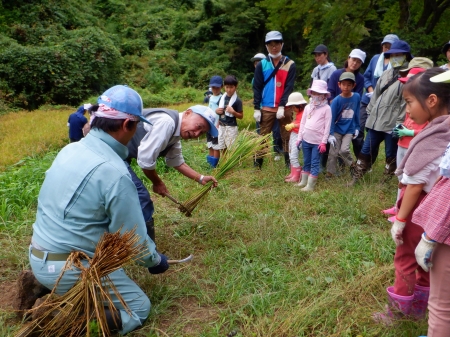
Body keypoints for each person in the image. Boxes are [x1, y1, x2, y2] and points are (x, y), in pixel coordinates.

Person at [29, 85, 169, 334]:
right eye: (137, 126)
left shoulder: (71, 149)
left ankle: (55, 293)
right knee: (138, 307)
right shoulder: (114, 173)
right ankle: (68, 319)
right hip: (70, 270)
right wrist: (155, 260)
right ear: (127, 124)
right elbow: (133, 240)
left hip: (38, 256)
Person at [374, 68, 450, 325]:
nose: (407, 111)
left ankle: (397, 314)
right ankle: (418, 309)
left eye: (409, 102)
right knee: (426, 260)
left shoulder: (433, 136)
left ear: (431, 100)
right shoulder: (445, 130)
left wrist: (401, 220)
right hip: (437, 213)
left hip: (418, 209)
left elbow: (415, 185)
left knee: (405, 258)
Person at [125, 105, 218, 242]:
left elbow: (177, 162)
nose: (197, 134)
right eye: (198, 126)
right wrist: (158, 183)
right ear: (187, 113)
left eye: (202, 132)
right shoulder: (167, 123)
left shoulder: (175, 133)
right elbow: (145, 160)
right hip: (109, 150)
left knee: (127, 195)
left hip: (120, 153)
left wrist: (201, 178)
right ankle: (148, 251)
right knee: (141, 197)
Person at [350, 40, 413, 185]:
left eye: (399, 55)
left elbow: (405, 103)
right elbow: (375, 95)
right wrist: (370, 114)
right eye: (392, 55)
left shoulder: (409, 76)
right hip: (376, 120)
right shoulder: (386, 74)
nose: (395, 57)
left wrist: (399, 124)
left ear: (406, 56)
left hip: (392, 123)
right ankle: (356, 178)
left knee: (390, 154)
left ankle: (384, 182)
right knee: (365, 150)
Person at [381, 61, 433, 219]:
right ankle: (398, 206)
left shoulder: (427, 107)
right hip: (401, 144)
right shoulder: (409, 104)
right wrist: (400, 129)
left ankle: (405, 210)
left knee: (410, 179)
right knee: (400, 177)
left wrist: (410, 132)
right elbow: (406, 121)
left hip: (414, 146)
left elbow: (429, 130)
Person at [253, 31, 296, 169]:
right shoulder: (262, 65)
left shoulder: (290, 64)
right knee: (262, 138)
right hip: (266, 108)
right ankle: (257, 165)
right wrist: (256, 108)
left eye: (277, 43)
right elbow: (257, 87)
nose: (274, 47)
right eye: (270, 44)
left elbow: (289, 87)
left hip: (285, 108)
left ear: (282, 44)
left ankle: (289, 164)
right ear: (266, 46)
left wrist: (283, 106)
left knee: (286, 136)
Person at [361, 34, 399, 162]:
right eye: (385, 45)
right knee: (370, 132)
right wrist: (371, 90)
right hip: (371, 100)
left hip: (389, 106)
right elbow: (366, 77)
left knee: (389, 142)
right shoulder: (376, 59)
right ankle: (368, 163)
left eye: (390, 46)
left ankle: (390, 168)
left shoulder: (398, 63)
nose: (386, 48)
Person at [325, 49, 366, 167]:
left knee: (356, 138)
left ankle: (359, 163)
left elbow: (357, 98)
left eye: (358, 62)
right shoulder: (336, 74)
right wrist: (338, 105)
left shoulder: (360, 78)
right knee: (331, 139)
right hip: (334, 110)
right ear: (348, 58)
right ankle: (327, 166)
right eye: (353, 60)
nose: (355, 63)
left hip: (351, 112)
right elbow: (330, 93)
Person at [296, 80, 331, 191]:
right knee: (306, 161)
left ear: (324, 95)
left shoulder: (327, 109)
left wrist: (323, 142)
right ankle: (303, 181)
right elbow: (302, 123)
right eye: (314, 93)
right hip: (306, 139)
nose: (316, 96)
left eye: (319, 93)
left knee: (314, 163)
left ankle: (310, 186)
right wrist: (299, 138)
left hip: (317, 142)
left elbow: (327, 127)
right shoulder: (308, 107)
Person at [326, 72, 360, 178]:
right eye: (343, 84)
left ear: (353, 85)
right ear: (339, 85)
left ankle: (353, 166)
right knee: (333, 152)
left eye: (349, 84)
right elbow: (331, 118)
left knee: (344, 150)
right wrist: (330, 134)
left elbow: (357, 112)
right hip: (337, 129)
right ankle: (330, 173)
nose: (346, 87)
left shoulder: (357, 97)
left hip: (349, 129)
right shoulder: (336, 101)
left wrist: (357, 127)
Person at [251, 52, 283, 159]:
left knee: (276, 131)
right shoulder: (254, 79)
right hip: (260, 108)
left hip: (271, 107)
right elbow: (256, 93)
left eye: (259, 62)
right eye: (255, 63)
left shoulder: (272, 73)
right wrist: (256, 108)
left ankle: (277, 151)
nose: (257, 65)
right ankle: (261, 156)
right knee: (261, 134)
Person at [216, 75, 243, 154]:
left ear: (236, 86)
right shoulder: (221, 98)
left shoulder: (237, 101)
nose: (229, 90)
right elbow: (218, 111)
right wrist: (216, 111)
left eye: (231, 87)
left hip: (231, 127)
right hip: (221, 126)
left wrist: (233, 112)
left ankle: (231, 162)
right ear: (224, 86)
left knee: (231, 147)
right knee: (222, 146)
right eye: (227, 87)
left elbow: (241, 116)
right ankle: (224, 162)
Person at [284, 92, 308, 183]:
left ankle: (297, 176)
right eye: (292, 107)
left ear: (300, 105)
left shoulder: (304, 113)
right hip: (294, 134)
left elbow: (305, 124)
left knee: (294, 155)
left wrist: (294, 125)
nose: (293, 109)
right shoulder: (297, 113)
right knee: (290, 153)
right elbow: (296, 122)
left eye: (294, 106)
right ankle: (292, 173)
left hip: (299, 135)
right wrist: (291, 126)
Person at [206, 75, 223, 168]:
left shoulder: (222, 98)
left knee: (216, 145)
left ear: (221, 87)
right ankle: (210, 162)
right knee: (210, 144)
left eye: (217, 87)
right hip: (210, 125)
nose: (215, 89)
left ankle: (215, 164)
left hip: (217, 126)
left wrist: (218, 124)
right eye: (213, 87)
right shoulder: (211, 97)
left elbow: (222, 113)